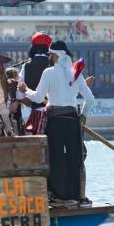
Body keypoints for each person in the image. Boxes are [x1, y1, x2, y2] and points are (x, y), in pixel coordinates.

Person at [19, 41, 94, 206]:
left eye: (51, 55)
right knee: (76, 158)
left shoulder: (48, 72)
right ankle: (77, 196)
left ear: (55, 55)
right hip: (73, 119)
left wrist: (25, 90)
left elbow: (38, 98)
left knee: (56, 157)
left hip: (55, 120)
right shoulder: (76, 73)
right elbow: (90, 99)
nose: (49, 58)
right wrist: (83, 115)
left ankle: (60, 196)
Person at [20, 32, 53, 134]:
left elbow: (20, 88)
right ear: (48, 47)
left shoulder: (26, 66)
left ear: (33, 47)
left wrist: (29, 103)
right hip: (55, 113)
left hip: (36, 113)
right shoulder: (54, 65)